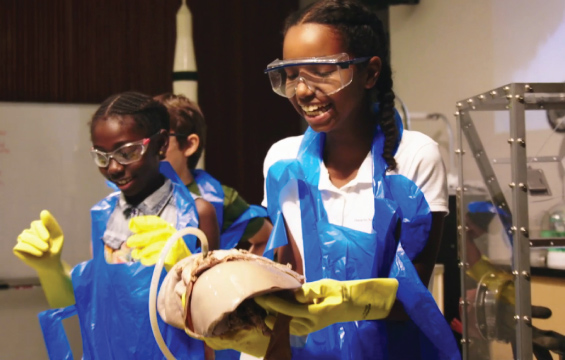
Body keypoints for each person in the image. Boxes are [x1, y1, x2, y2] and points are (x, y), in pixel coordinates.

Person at [249, 1, 460, 359]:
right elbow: (285, 277)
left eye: (321, 71)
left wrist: (336, 303)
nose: (301, 91)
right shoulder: (282, 161)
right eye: (291, 74)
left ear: (370, 73)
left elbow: (409, 298)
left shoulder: (414, 157)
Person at [13, 91, 218, 359]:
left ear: (160, 144)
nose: (113, 168)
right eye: (102, 156)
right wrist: (50, 268)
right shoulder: (104, 216)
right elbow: (89, 305)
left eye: (127, 152)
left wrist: (185, 267)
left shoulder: (195, 213)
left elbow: (214, 318)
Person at [154, 92, 272, 255]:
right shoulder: (131, 193)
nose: (148, 147)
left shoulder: (218, 198)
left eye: (160, 140)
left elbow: (267, 238)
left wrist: (242, 276)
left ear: (189, 144)